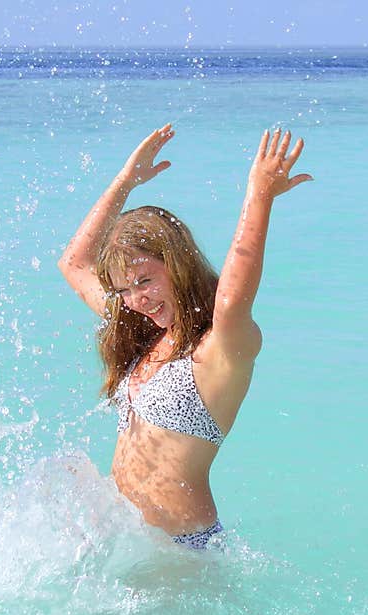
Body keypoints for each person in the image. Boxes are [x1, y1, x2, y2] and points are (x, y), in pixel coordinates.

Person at [58, 123, 312, 549]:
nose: (136, 299)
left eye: (145, 280)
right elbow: (74, 263)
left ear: (175, 263)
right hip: (127, 543)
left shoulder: (218, 350)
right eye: (123, 288)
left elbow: (231, 299)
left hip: (181, 554)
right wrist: (126, 181)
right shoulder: (142, 332)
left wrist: (260, 196)